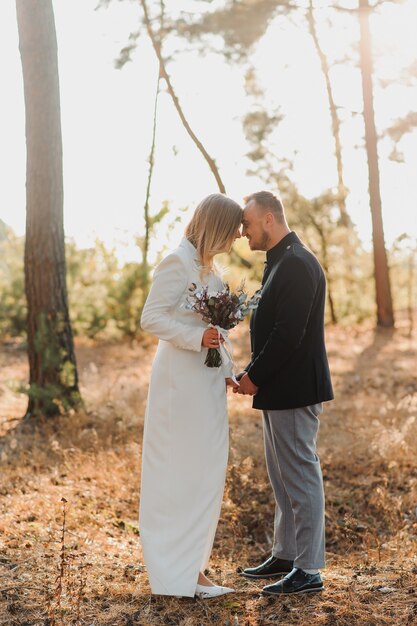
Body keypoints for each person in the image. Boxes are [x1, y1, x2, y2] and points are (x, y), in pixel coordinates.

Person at [139, 193, 242, 599]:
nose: (237, 238)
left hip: (207, 386)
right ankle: (172, 576)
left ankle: (194, 569)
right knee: (177, 475)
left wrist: (231, 372)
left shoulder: (211, 271)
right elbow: (152, 318)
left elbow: (221, 333)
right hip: (178, 387)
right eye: (232, 231)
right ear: (215, 225)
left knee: (205, 474)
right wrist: (196, 337)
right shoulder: (176, 262)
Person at [235, 191, 333, 595]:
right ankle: (286, 554)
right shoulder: (279, 261)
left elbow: (288, 334)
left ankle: (309, 569)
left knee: (301, 476)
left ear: (270, 219)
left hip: (294, 388)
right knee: (282, 477)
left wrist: (254, 376)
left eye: (248, 224)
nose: (243, 232)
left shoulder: (295, 263)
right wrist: (251, 372)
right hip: (279, 388)